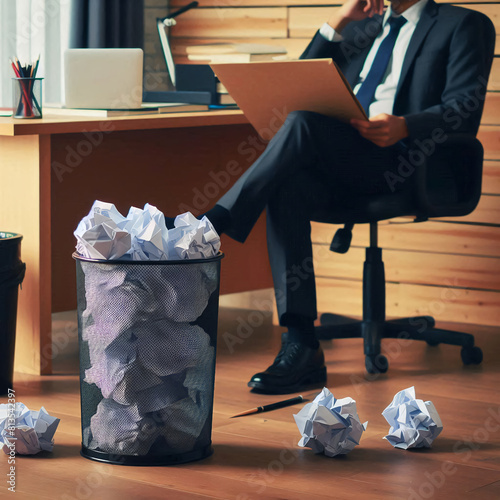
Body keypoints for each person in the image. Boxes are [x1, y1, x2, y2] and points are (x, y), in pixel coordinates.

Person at [169, 0, 495, 394]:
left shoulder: (464, 24)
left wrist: (406, 126)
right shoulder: (363, 28)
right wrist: (337, 22)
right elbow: (296, 89)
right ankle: (301, 344)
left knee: (301, 129)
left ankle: (213, 224)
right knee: (286, 178)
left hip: (409, 163)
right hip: (349, 157)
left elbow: (465, 108)